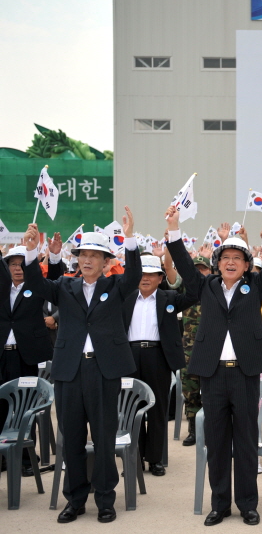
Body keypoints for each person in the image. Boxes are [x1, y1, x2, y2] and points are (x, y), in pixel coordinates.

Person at [164, 200, 262, 527]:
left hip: (247, 374)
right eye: (225, 258)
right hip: (212, 375)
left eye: (237, 258)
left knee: (247, 442)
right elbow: (182, 262)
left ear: (247, 265)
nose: (231, 262)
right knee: (217, 442)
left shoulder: (256, 286)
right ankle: (219, 504)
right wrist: (175, 229)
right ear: (217, 263)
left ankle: (248, 503)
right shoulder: (204, 286)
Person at [22, 209, 141, 524]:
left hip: (103, 371)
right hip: (69, 372)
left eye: (94, 255)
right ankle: (74, 500)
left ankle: (105, 500)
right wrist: (33, 250)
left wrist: (130, 237)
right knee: (71, 437)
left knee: (104, 437)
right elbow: (35, 281)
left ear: (105, 261)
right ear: (76, 259)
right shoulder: (64, 286)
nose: (87, 260)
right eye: (83, 255)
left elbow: (133, 275)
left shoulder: (115, 287)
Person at [122, 255, 197, 475]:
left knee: (157, 410)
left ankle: (155, 459)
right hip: (129, 356)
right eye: (142, 274)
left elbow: (194, 292)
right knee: (131, 409)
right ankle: (134, 459)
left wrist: (174, 264)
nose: (145, 278)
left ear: (160, 278)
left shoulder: (170, 298)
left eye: (151, 274)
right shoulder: (125, 298)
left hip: (158, 356)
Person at [0, 244, 63, 476]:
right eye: (13, 264)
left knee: (26, 406)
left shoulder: (36, 287)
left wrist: (54, 256)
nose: (17, 268)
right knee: (2, 405)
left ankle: (27, 458)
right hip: (1, 355)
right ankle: (3, 458)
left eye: (21, 263)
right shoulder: (2, 287)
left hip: (26, 356)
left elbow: (57, 283)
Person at [178, 254, 211, 446]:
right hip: (189, 349)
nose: (200, 272)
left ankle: (210, 429)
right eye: (196, 269)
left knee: (211, 391)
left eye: (203, 269)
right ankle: (193, 428)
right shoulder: (187, 289)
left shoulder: (216, 289)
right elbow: (172, 272)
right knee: (190, 390)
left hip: (211, 349)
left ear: (210, 271)